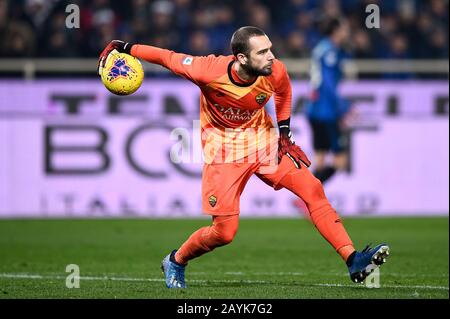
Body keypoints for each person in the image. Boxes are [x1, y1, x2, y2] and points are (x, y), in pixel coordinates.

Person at [98, 26, 389, 289]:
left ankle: (353, 259)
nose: (271, 56)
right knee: (224, 233)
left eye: (270, 48)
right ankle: (176, 260)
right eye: (262, 52)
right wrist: (123, 47)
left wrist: (284, 131)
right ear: (241, 58)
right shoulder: (207, 70)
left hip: (263, 144)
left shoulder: (274, 70)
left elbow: (284, 93)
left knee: (312, 189)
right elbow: (166, 57)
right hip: (224, 153)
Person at [305, 17, 352, 184]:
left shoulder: (321, 48)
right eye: (344, 28)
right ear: (336, 31)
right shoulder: (330, 51)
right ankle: (306, 197)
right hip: (326, 111)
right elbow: (328, 83)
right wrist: (344, 106)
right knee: (340, 160)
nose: (347, 32)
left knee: (320, 158)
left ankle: (307, 200)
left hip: (314, 108)